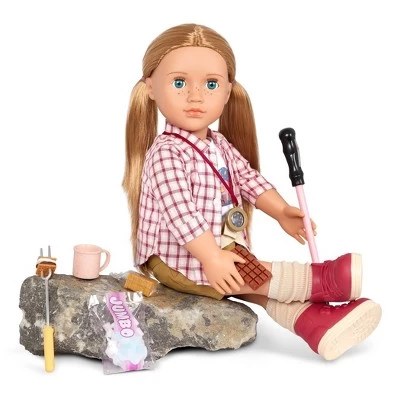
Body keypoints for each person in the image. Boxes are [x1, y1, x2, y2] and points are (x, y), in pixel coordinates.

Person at [122, 23, 381, 360]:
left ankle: (314, 324)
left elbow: (247, 178)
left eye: (211, 84)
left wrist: (281, 211)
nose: (195, 96)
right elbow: (181, 214)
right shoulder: (166, 152)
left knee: (255, 284)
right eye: (179, 83)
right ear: (150, 88)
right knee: (251, 274)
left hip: (217, 246)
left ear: (228, 91)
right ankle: (320, 279)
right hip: (177, 258)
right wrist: (211, 257)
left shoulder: (219, 144)